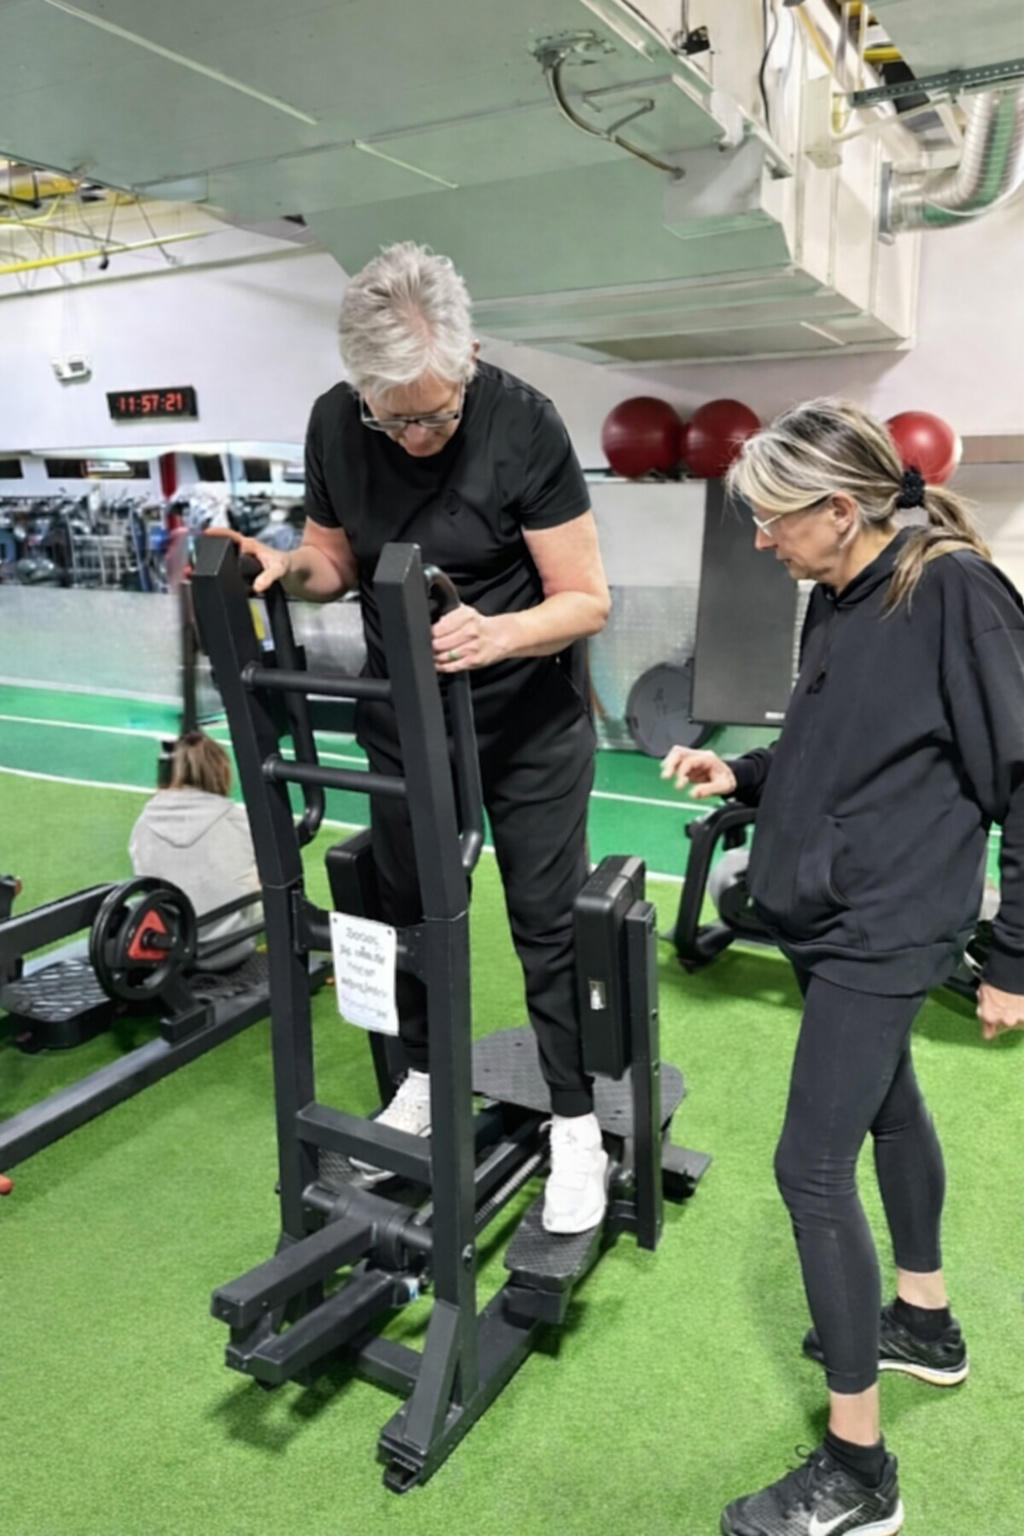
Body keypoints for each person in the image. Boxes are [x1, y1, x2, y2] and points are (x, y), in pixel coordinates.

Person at [662, 398, 1024, 1536]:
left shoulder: (952, 591)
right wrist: (750, 778)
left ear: (837, 507)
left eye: (774, 521)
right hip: (826, 908)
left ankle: (858, 1477)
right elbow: (841, 744)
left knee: (807, 1168)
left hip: (890, 919)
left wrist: (1013, 954)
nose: (762, 542)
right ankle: (922, 1320)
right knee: (887, 1111)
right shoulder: (838, 595)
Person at [219, 242, 612, 1234]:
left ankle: (575, 1127)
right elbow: (330, 562)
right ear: (360, 394)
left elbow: (587, 600)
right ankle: (431, 1077)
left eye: (436, 413)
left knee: (545, 921)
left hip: (526, 715)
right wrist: (280, 568)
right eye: (395, 419)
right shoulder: (334, 424)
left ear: (470, 357)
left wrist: (499, 632)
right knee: (405, 906)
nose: (420, 435)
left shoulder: (522, 422)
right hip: (406, 711)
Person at [129, 732, 261, 972]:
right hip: (231, 947)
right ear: (220, 771)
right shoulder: (240, 820)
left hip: (168, 947)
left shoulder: (144, 822)